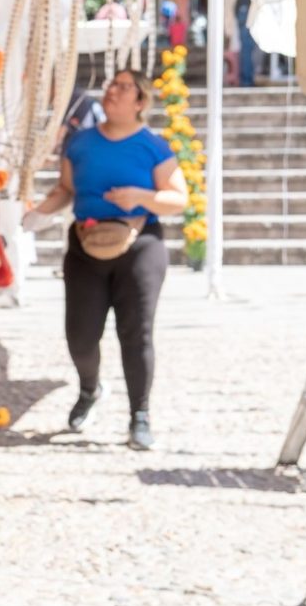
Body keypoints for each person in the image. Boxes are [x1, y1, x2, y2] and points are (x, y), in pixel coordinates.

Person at [22, 69, 186, 450]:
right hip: (85, 243)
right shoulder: (79, 143)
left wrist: (140, 197)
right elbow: (66, 189)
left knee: (136, 332)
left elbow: (178, 198)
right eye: (112, 84)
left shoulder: (153, 146)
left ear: (140, 102)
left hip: (140, 243)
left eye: (124, 87)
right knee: (80, 335)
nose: (113, 90)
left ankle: (139, 416)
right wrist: (36, 215)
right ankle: (90, 389)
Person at [236, 0, 256, 87]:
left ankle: (246, 78)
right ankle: (247, 80)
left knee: (246, 47)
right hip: (248, 11)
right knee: (248, 47)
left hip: (242, 10)